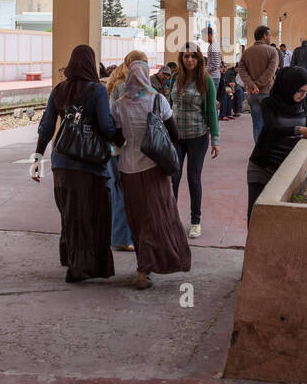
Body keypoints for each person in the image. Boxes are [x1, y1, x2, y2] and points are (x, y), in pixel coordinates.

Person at [33, 44, 119, 283]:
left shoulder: (58, 90)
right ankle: (81, 268)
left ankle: (72, 261)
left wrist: (38, 157)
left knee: (70, 215)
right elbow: (106, 125)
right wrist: (123, 140)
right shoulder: (98, 91)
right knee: (90, 214)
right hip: (89, 163)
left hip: (61, 162)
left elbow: (47, 127)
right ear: (91, 64)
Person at [110, 61, 190, 289]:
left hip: (127, 169)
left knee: (137, 220)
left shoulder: (118, 105)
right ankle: (154, 265)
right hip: (154, 169)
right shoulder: (158, 100)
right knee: (160, 216)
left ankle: (143, 269)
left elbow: (117, 140)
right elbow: (174, 134)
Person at [246, 66, 307, 222]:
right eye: (300, 91)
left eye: (306, 92)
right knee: (256, 215)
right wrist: (299, 130)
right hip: (263, 167)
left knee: (280, 216)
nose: (303, 95)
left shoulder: (303, 104)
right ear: (289, 86)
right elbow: (272, 129)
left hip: (287, 169)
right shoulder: (269, 103)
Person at [168, 40, 220, 237]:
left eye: (193, 56)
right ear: (181, 58)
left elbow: (212, 113)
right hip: (176, 137)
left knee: (193, 179)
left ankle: (195, 221)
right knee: (173, 178)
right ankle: (171, 220)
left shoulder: (205, 80)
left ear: (199, 59)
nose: (189, 59)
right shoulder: (175, 78)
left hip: (198, 137)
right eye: (186, 56)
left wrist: (215, 140)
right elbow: (168, 106)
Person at [104, 49, 149, 251]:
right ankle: (122, 237)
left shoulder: (118, 83)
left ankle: (120, 234)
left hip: (116, 148)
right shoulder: (125, 87)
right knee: (124, 193)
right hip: (123, 149)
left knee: (118, 192)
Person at [238, 24, 280, 141]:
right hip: (267, 92)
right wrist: (258, 85)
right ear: (264, 36)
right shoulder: (272, 51)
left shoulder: (247, 52)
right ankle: (268, 151)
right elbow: (270, 72)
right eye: (269, 35)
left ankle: (258, 150)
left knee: (257, 122)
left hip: (253, 94)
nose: (270, 37)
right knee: (270, 123)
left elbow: (241, 70)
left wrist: (252, 85)